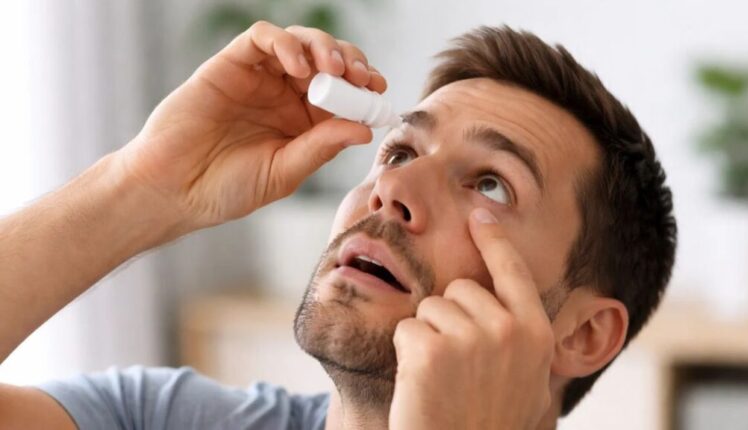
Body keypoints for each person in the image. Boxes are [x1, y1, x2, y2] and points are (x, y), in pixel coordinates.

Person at [0, 21, 676, 430]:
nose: (391, 189)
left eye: (491, 184)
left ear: (583, 334)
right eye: (400, 152)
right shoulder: (160, 417)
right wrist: (142, 187)